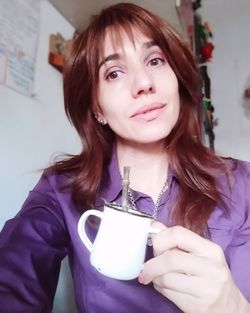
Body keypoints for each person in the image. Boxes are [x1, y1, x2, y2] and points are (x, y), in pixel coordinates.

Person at [0, 3, 250, 313]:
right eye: (114, 73)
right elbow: (12, 275)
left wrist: (234, 307)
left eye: (155, 60)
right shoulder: (61, 189)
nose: (144, 83)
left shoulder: (242, 183)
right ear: (97, 108)